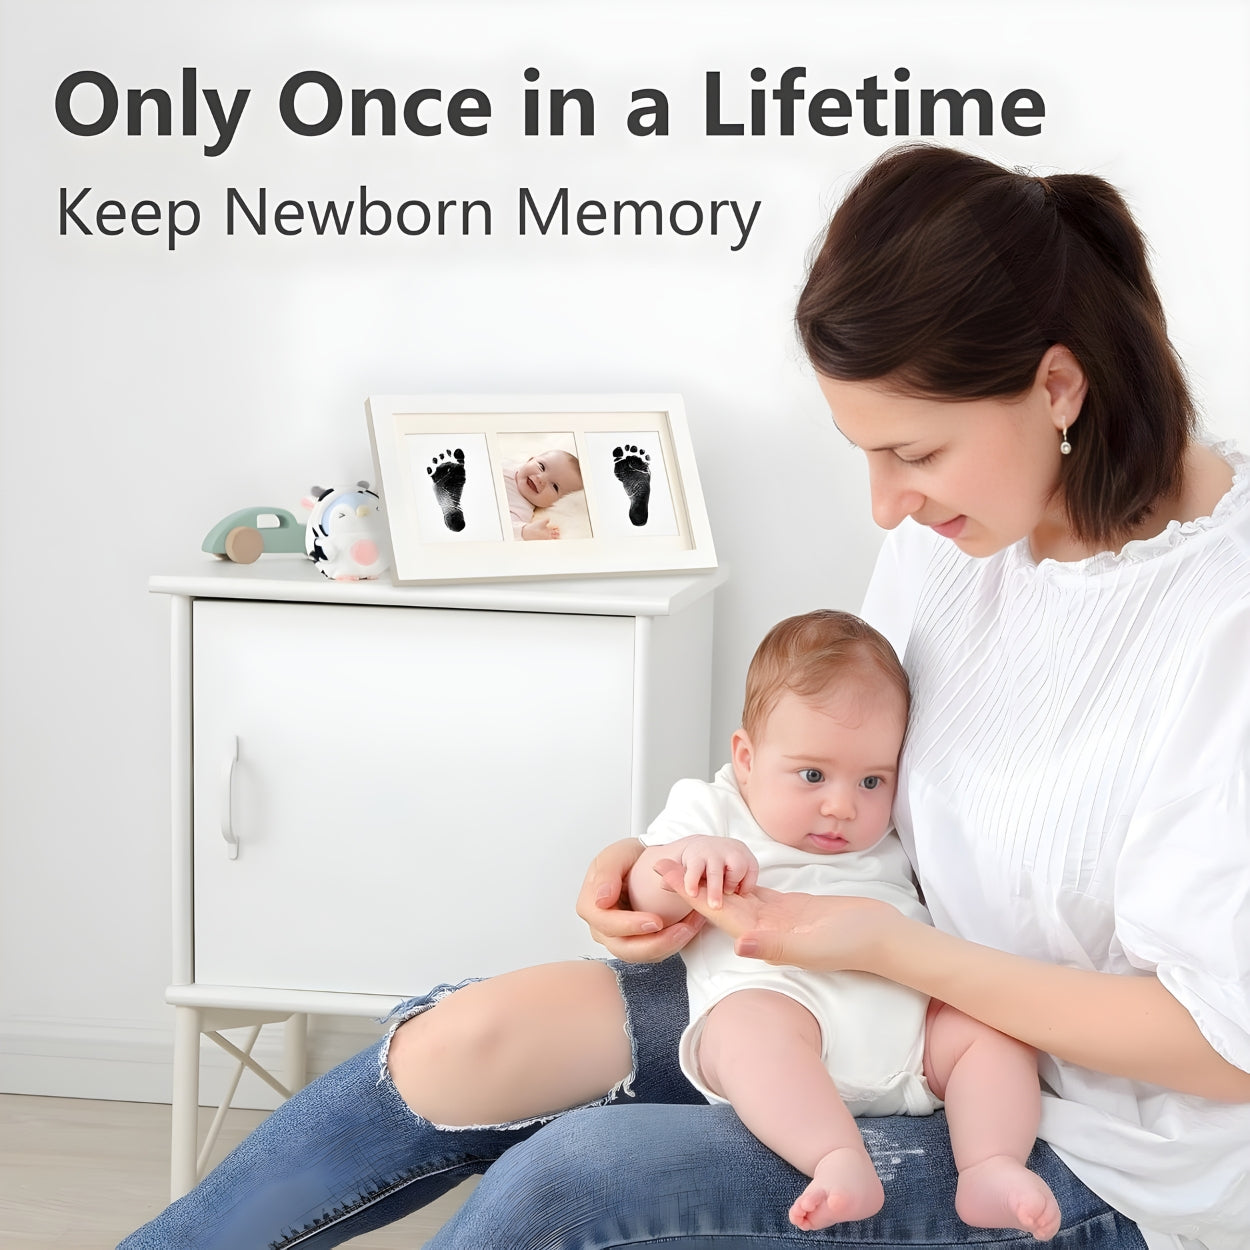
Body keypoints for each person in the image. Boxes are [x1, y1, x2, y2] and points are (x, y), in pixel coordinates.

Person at [121, 143, 1250, 1250]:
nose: (883, 505)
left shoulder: (1219, 622)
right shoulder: (956, 538)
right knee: (459, 1044)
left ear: (1055, 385)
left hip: (1092, 1148)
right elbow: (844, 767)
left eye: (911, 450)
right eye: (861, 452)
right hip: (855, 992)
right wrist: (677, 858)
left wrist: (889, 953)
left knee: (566, 1184)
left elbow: (1223, 1042)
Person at [629, 608, 1058, 1236]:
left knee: (993, 1029)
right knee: (745, 1032)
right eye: (811, 775)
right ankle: (835, 1157)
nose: (841, 805)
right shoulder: (712, 807)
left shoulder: (891, 831)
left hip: (914, 1035)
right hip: (788, 1010)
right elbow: (646, 894)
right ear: (746, 757)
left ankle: (990, 1163)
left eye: (870, 779)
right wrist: (693, 860)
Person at [501, 447, 583, 539]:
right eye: (541, 467)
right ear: (530, 460)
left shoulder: (521, 509)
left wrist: (524, 531)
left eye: (554, 486)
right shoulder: (509, 462)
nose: (541, 478)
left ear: (556, 503)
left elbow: (503, 529)